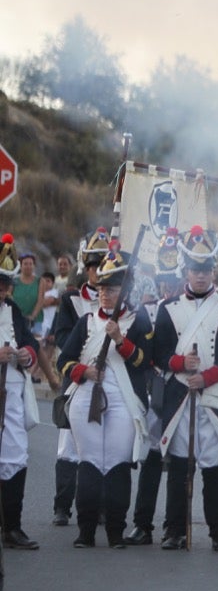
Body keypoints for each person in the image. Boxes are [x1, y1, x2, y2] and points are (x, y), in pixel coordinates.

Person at [152, 225, 218, 551]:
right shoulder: (168, 308)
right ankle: (174, 530)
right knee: (179, 467)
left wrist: (206, 377)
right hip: (181, 396)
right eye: (195, 269)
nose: (201, 275)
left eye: (206, 269)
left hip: (213, 396)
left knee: (213, 468)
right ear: (186, 270)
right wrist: (181, 364)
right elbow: (158, 354)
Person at [57, 248, 153, 548]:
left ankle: (115, 530)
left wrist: (120, 341)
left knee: (116, 464)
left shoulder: (138, 321)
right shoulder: (87, 322)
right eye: (102, 289)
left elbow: (145, 362)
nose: (104, 295)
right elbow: (65, 361)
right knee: (89, 463)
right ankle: (86, 530)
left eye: (111, 290)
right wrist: (84, 372)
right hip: (87, 396)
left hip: (124, 399)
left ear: (124, 291)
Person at [124, 228, 185, 545]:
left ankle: (176, 528)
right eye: (164, 281)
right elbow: (140, 353)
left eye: (173, 281)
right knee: (150, 459)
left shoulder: (190, 311)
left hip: (184, 390)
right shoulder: (146, 312)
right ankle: (142, 524)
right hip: (156, 391)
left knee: (180, 461)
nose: (167, 287)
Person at [49, 227, 112, 527]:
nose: (97, 271)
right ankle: (62, 506)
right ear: (86, 268)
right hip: (76, 376)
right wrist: (84, 357)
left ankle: (98, 507)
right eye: (93, 266)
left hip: (106, 378)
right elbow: (62, 336)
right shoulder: (71, 299)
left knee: (102, 446)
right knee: (68, 446)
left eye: (102, 266)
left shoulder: (115, 300)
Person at [0, 234, 42, 550]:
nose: (2, 290)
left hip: (11, 392)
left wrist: (26, 354)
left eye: (5, 285)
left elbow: (29, 342)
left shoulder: (12, 309)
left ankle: (11, 527)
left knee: (15, 457)